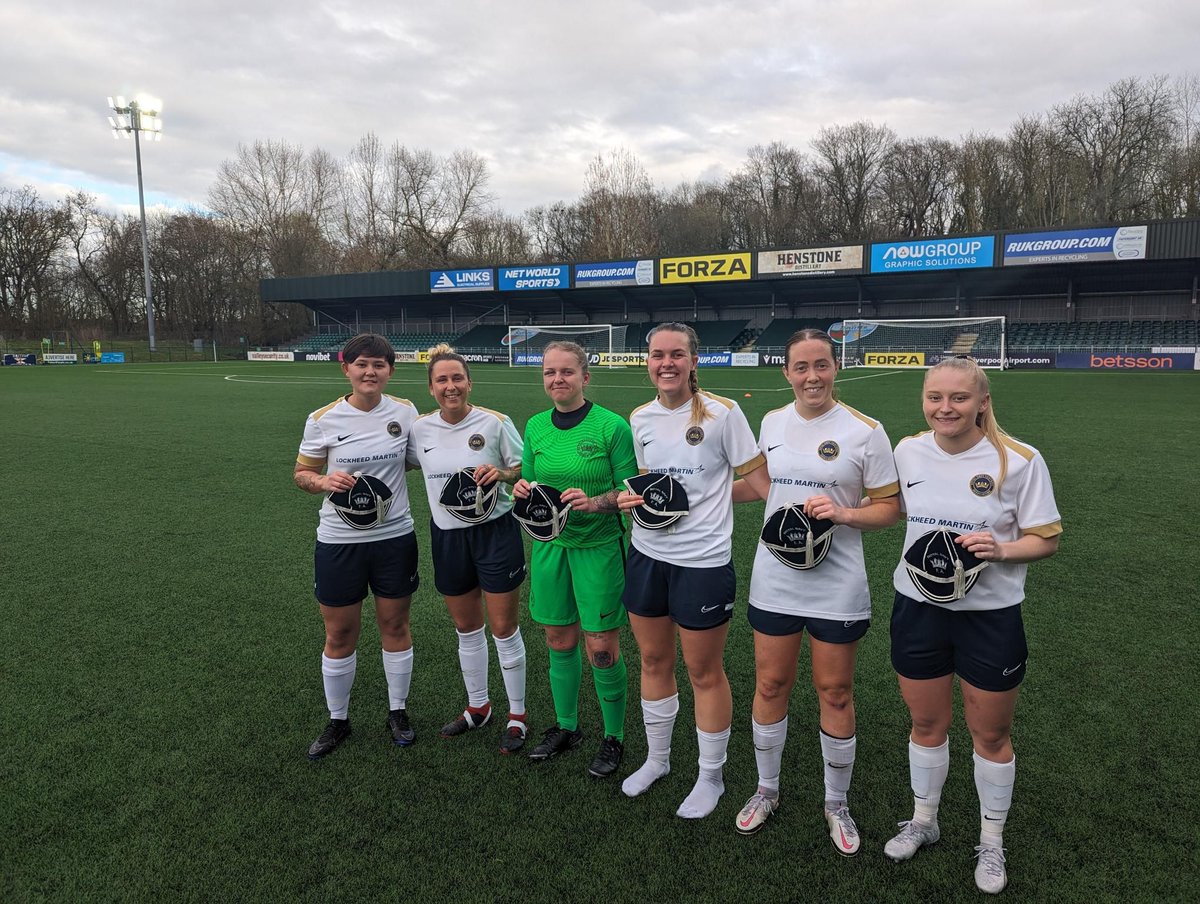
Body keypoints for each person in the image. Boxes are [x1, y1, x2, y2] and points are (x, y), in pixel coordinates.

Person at [884, 356, 1061, 894]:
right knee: (926, 726)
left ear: (982, 401)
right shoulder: (907, 450)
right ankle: (924, 820)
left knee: (991, 734)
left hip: (990, 619)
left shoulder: (1019, 460)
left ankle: (991, 840)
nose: (946, 408)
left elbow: (1046, 538)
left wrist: (1002, 550)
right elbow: (895, 511)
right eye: (935, 397)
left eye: (958, 398)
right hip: (917, 608)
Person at [730, 328, 900, 852]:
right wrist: (688, 492)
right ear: (786, 373)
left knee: (835, 691)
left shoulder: (865, 431)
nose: (812, 377)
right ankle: (766, 788)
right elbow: (761, 489)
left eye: (821, 365)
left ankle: (836, 802)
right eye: (801, 367)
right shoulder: (772, 421)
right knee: (771, 685)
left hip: (837, 584)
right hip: (775, 577)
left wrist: (843, 512)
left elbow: (890, 509)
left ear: (836, 367)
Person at [618, 322, 769, 818]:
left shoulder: (724, 414)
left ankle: (711, 777)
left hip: (702, 562)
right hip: (646, 555)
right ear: (647, 361)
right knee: (653, 662)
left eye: (676, 354)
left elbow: (759, 482)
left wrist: (709, 502)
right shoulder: (639, 417)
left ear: (693, 361)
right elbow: (649, 486)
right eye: (658, 354)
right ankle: (657, 759)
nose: (666, 363)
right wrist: (633, 499)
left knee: (704, 671)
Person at [512, 340, 638, 777]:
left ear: (585, 376)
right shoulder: (535, 427)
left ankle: (614, 736)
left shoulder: (611, 427)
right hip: (550, 549)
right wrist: (521, 490)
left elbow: (630, 492)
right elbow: (528, 482)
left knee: (600, 648)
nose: (557, 380)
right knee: (558, 640)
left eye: (567, 372)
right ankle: (566, 727)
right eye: (549, 372)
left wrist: (594, 501)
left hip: (598, 549)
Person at [293, 333, 421, 760]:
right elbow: (302, 473)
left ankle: (397, 711)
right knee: (340, 632)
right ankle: (338, 719)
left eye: (379, 365)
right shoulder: (323, 419)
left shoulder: (405, 413)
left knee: (395, 627)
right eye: (362, 364)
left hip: (393, 539)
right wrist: (323, 481)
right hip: (339, 541)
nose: (370, 372)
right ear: (345, 367)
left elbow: (421, 459)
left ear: (390, 371)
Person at [406, 344, 529, 754]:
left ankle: (517, 715)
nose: (450, 386)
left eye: (457, 378)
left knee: (502, 627)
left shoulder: (495, 423)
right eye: (442, 380)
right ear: (431, 388)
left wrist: (503, 472)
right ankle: (478, 706)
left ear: (469, 382)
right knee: (466, 627)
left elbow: (523, 468)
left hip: (496, 533)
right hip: (447, 537)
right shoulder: (420, 429)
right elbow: (398, 463)